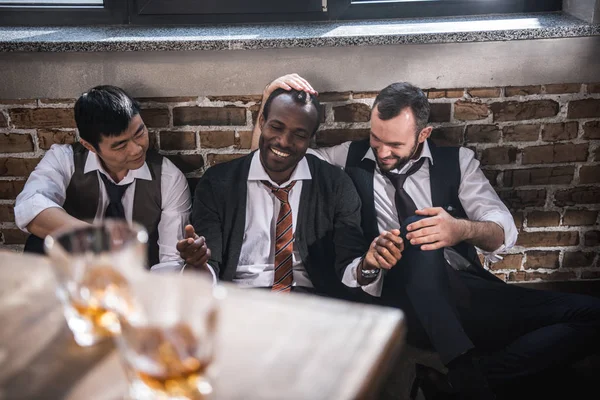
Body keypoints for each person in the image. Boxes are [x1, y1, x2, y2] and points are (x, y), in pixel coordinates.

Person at [250, 75, 600, 399]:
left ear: (423, 134)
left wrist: (458, 229)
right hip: (400, 302)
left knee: (591, 314)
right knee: (414, 230)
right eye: (375, 138)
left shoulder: (458, 162)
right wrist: (268, 100)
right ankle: (464, 369)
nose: (381, 152)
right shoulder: (347, 157)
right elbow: (271, 161)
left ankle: (462, 383)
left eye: (394, 144)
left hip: (467, 293)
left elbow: (502, 230)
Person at [177, 77, 403, 298]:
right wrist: (197, 263)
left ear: (310, 139)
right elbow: (208, 273)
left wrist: (369, 264)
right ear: (262, 122)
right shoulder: (218, 183)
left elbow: (349, 267)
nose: (284, 141)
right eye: (276, 127)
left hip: (311, 306)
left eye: (299, 134)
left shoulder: (335, 185)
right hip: (240, 302)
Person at [15, 85, 191, 271]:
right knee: (38, 244)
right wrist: (99, 240)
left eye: (139, 133)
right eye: (120, 145)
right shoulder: (64, 159)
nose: (137, 149)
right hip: (72, 275)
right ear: (89, 146)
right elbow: (30, 207)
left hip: (136, 282)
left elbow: (171, 263)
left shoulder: (168, 177)